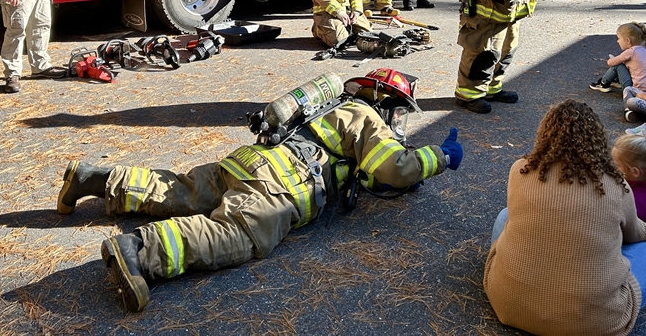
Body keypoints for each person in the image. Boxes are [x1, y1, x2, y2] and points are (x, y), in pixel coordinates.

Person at [55, 69, 464, 312]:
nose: (397, 124)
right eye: (397, 113)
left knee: (180, 189)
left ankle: (93, 178)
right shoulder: (364, 114)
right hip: (279, 183)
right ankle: (138, 253)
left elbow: (367, 178)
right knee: (239, 234)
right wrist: (440, 157)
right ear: (386, 100)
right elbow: (393, 169)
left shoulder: (332, 104)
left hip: (247, 160)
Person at [484, 100, 646, 336]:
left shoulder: (520, 169)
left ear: (544, 134)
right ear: (598, 140)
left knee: (506, 216)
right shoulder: (616, 185)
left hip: (507, 303)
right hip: (590, 324)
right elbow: (634, 235)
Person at [589, 22, 646, 93]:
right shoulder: (644, 50)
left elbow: (610, 63)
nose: (617, 41)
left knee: (617, 65)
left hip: (634, 89)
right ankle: (618, 81)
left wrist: (612, 59)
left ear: (627, 40)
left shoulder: (631, 51)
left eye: (619, 38)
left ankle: (603, 83)